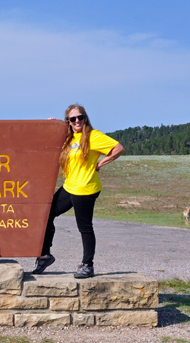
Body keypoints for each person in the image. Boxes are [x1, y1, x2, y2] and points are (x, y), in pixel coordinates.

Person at [33, 104, 124, 278]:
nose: (77, 121)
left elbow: (118, 148)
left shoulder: (93, 136)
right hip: (69, 186)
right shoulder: (68, 138)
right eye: (72, 119)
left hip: (85, 189)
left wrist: (99, 164)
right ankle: (45, 255)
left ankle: (87, 265)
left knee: (84, 228)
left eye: (79, 117)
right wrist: (50, 126)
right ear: (68, 121)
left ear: (85, 118)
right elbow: (46, 142)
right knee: (46, 215)